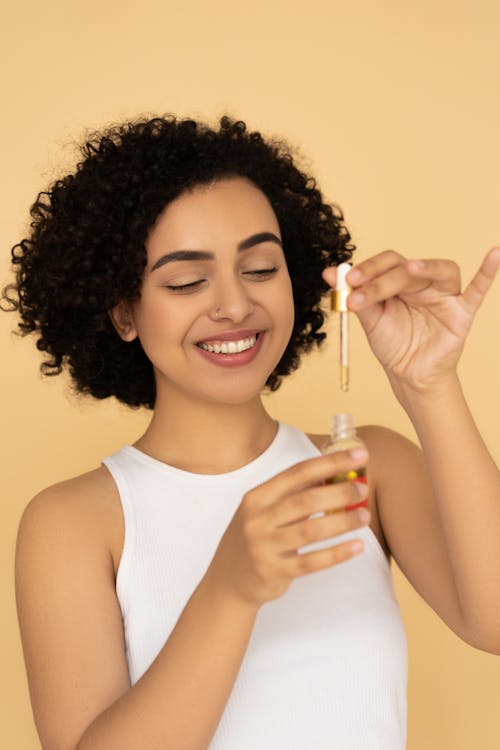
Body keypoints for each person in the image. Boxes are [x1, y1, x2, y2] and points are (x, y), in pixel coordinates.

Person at [2, 114, 499, 750]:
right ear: (124, 311)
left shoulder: (366, 469)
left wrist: (430, 386)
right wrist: (230, 589)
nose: (235, 306)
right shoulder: (72, 522)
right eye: (186, 280)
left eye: (261, 269)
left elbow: (496, 623)